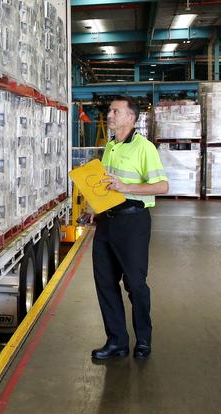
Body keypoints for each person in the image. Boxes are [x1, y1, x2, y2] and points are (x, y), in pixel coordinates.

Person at [87, 96, 169, 360]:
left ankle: (143, 339)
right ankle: (117, 342)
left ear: (131, 118)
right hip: (106, 223)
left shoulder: (144, 148)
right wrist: (93, 209)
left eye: (115, 111)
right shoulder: (110, 146)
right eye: (110, 110)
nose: (109, 114)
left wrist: (126, 187)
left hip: (133, 222)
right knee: (106, 284)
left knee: (135, 284)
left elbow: (162, 186)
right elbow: (105, 186)